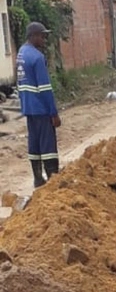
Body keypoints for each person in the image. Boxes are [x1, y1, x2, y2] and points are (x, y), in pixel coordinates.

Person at [15, 21, 60, 188]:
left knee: (34, 142)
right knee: (47, 143)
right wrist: (53, 113)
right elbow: (45, 88)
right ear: (33, 36)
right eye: (42, 36)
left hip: (28, 107)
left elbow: (20, 84)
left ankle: (37, 178)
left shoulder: (21, 53)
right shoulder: (37, 57)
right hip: (41, 108)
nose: (44, 39)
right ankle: (53, 178)